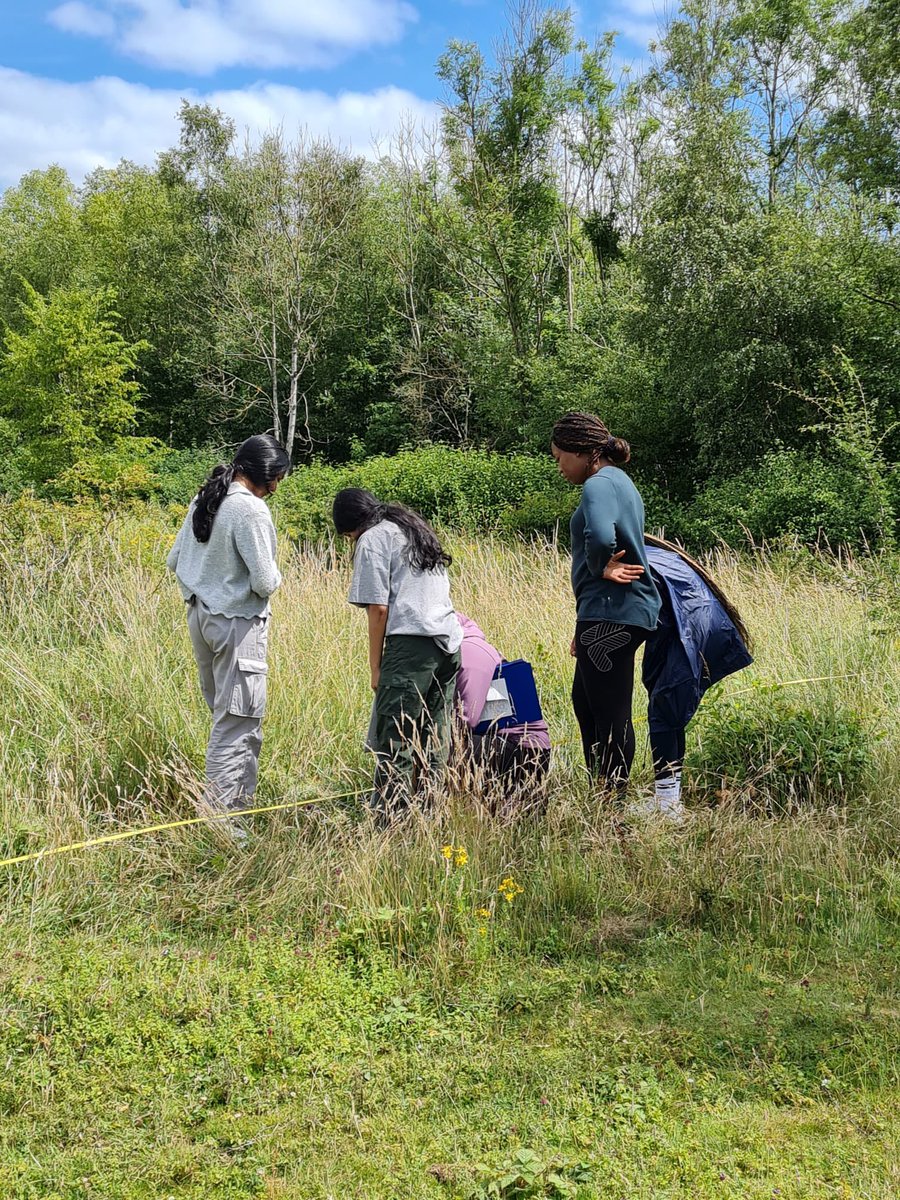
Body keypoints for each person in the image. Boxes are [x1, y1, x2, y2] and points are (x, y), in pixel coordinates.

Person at [166, 433, 290, 819]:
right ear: (268, 476)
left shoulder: (206, 498)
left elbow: (174, 561)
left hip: (201, 618)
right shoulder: (250, 510)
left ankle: (227, 811)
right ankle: (223, 821)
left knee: (226, 717)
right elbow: (265, 581)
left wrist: (203, 587)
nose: (278, 487)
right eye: (279, 478)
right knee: (237, 724)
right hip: (236, 625)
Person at [333, 488, 462, 817]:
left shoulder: (372, 538)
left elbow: (378, 609)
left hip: (410, 645)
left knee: (396, 739)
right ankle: (431, 817)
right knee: (434, 737)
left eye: (348, 537)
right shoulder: (411, 529)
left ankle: (391, 824)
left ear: (351, 526)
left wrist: (375, 667)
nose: (351, 543)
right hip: (447, 643)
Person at [551, 411, 660, 795]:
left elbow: (599, 535)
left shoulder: (597, 485)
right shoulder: (622, 482)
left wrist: (601, 567)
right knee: (586, 699)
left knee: (608, 712)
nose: (560, 467)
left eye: (560, 457)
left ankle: (611, 799)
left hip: (613, 611)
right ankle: (604, 788)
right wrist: (583, 626)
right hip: (607, 615)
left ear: (584, 452)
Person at [640, 535, 753, 817]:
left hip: (689, 632)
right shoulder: (656, 555)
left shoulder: (639, 560)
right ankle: (669, 797)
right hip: (698, 629)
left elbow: (641, 616)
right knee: (669, 714)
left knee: (664, 712)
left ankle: (667, 804)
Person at [454, 613, 551, 807]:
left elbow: (467, 719)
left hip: (521, 748)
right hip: (507, 741)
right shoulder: (470, 645)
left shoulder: (469, 652)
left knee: (442, 750)